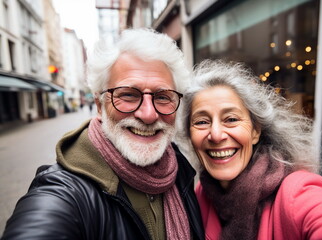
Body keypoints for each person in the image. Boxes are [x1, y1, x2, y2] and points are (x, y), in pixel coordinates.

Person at [1, 28, 204, 240]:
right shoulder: (66, 192)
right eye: (128, 95)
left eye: (163, 97)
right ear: (99, 105)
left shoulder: (179, 167)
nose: (148, 114)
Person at [179, 59, 322, 240]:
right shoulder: (202, 191)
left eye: (231, 119)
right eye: (202, 122)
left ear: (255, 131)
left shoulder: (296, 192)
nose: (216, 135)